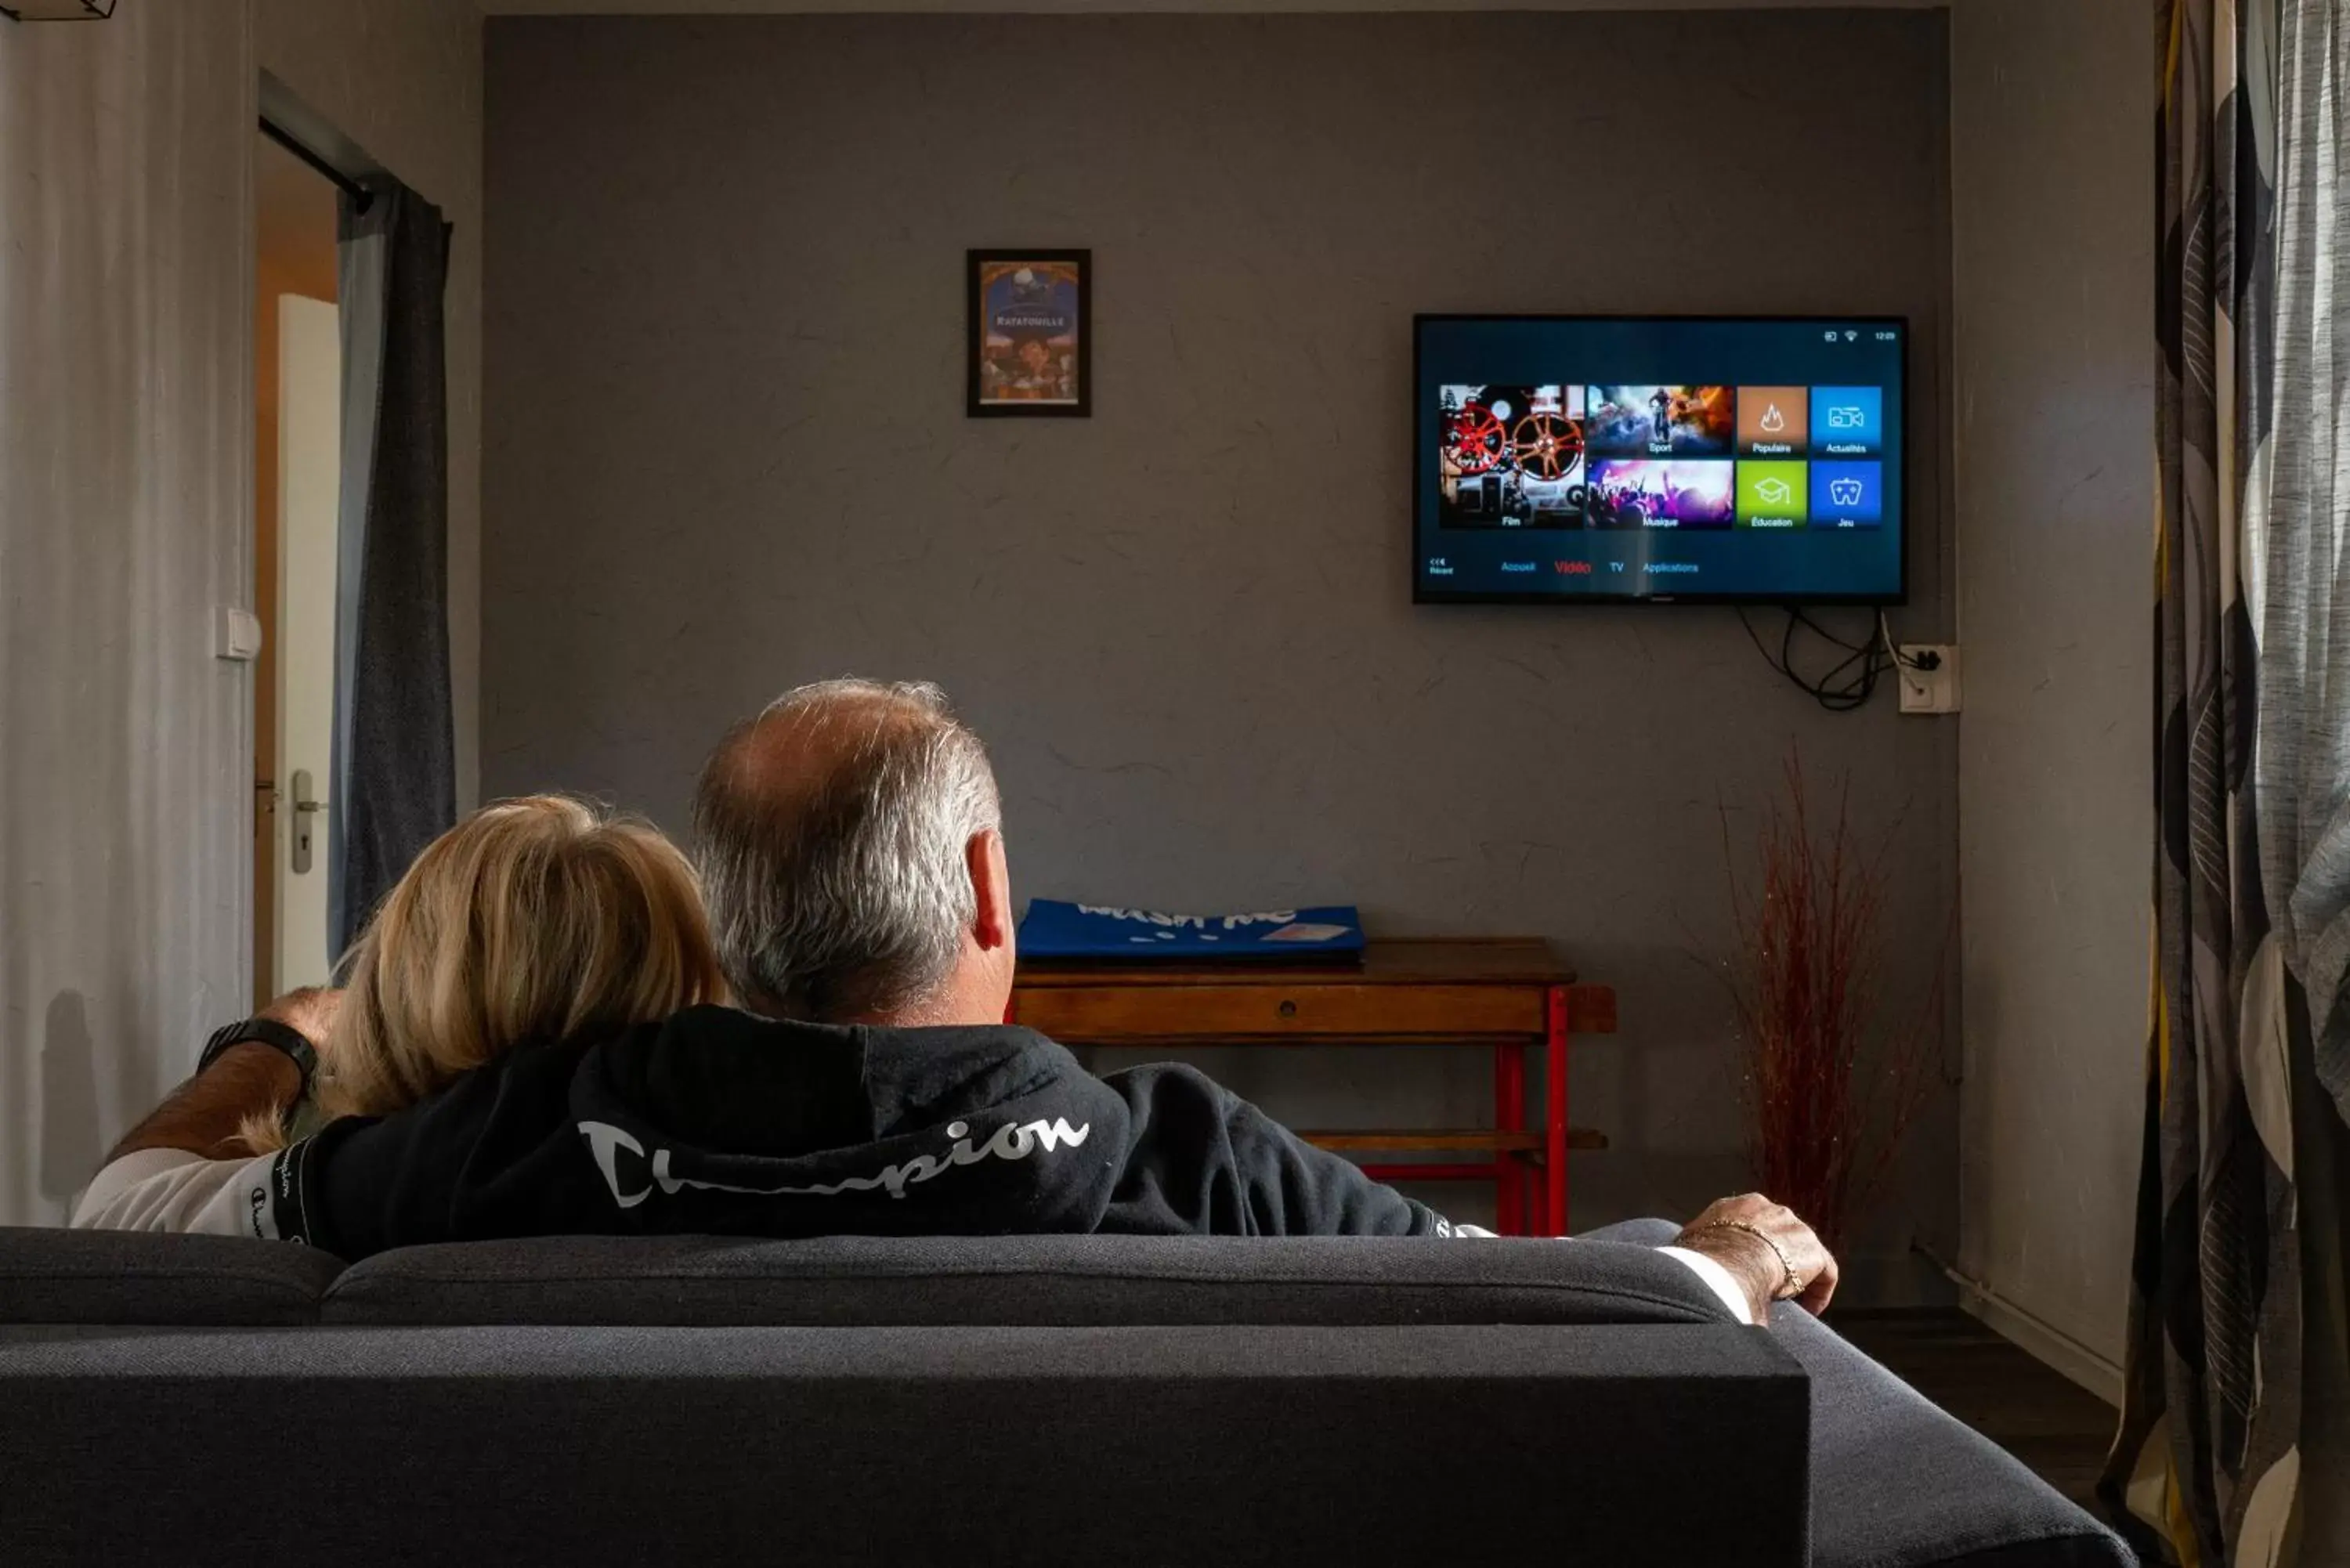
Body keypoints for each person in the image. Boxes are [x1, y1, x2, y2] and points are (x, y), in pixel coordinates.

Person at [75, 681, 1836, 1325]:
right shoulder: (1192, 1158)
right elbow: (1586, 1311)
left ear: (734, 919)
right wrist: (1735, 1247)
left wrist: (285, 1035)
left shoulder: (489, 1145)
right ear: (992, 891)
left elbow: (130, 1218)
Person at [70, 794, 723, 1232]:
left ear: (403, 990)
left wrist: (282, 1034)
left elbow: (112, 1219)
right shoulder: (735, 1194)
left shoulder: (359, 1193)